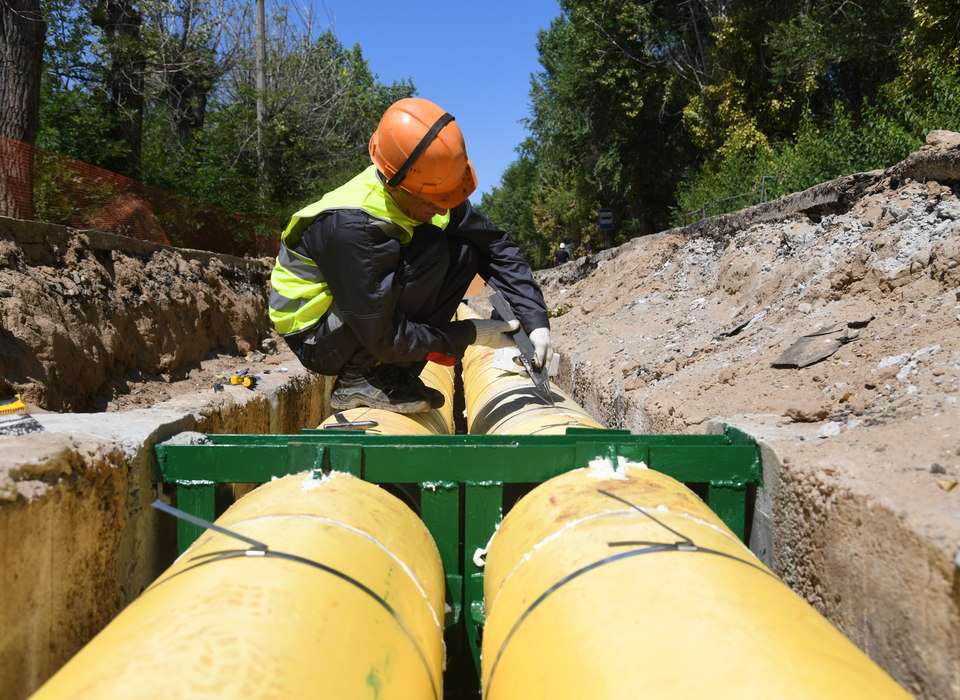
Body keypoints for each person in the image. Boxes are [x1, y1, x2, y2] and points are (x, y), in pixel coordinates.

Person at [269, 97, 553, 414]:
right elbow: (384, 334)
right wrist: (471, 333)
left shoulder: (432, 186)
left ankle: (394, 374)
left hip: (362, 316)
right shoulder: (351, 227)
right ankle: (356, 379)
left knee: (463, 252)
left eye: (445, 197)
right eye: (432, 201)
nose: (442, 208)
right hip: (319, 337)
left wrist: (535, 320)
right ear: (395, 184)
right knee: (432, 247)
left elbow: (493, 245)